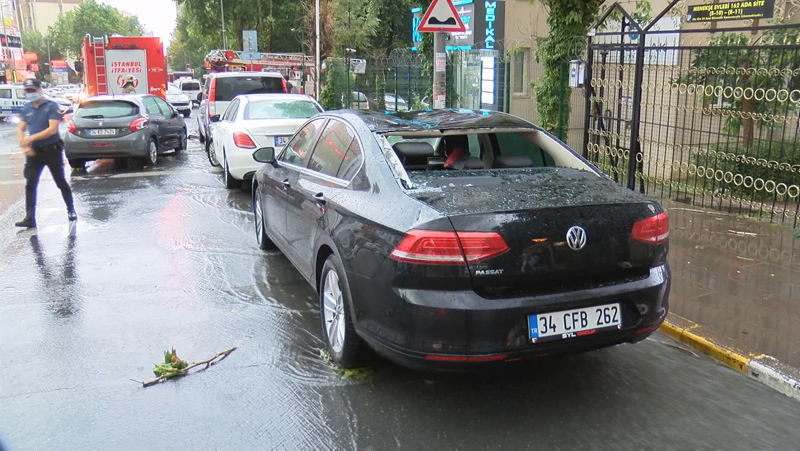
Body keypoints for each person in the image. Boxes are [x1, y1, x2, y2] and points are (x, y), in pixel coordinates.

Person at [15, 78, 76, 229]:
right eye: (28, 91)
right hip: (34, 152)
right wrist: (25, 146)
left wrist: (30, 138)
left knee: (60, 181)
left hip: (51, 150)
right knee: (30, 184)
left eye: (33, 90)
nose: (31, 93)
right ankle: (30, 217)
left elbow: (52, 130)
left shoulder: (51, 106)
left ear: (39, 90)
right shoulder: (27, 108)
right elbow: (20, 129)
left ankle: (71, 210)